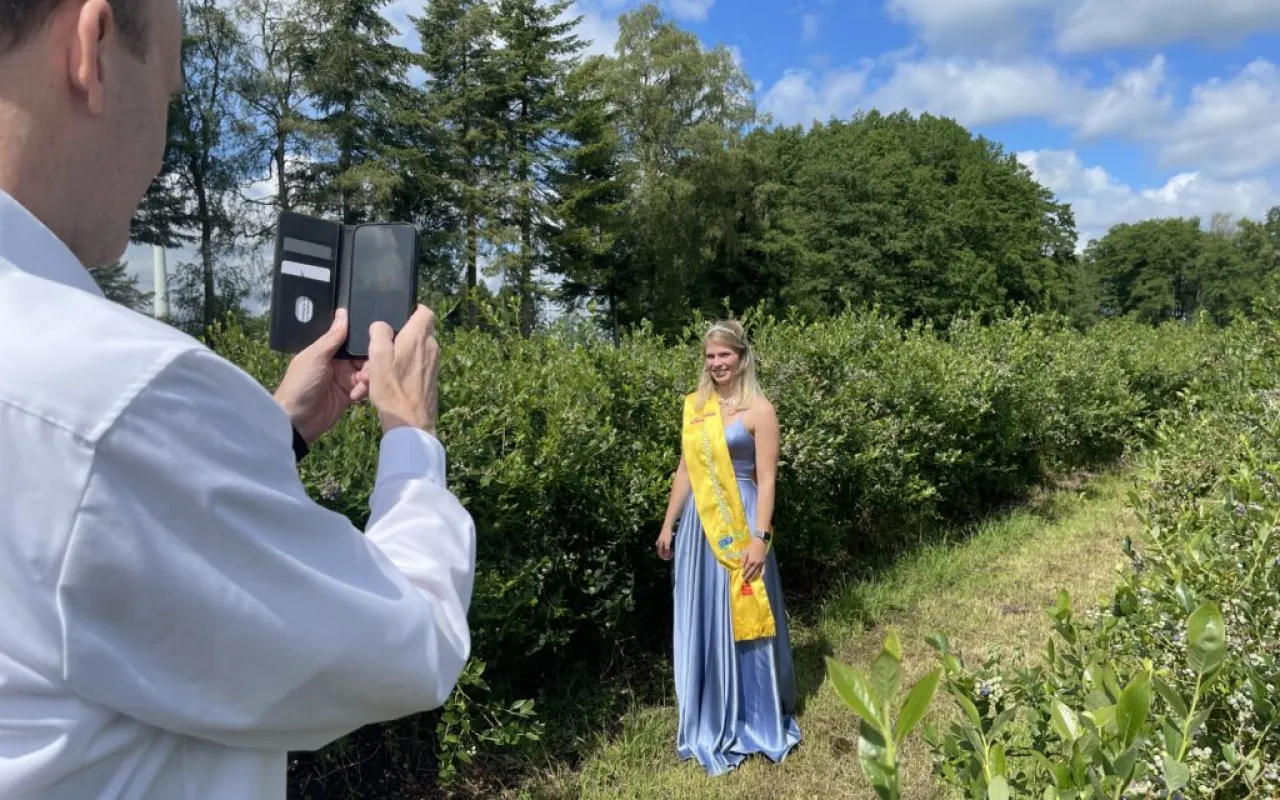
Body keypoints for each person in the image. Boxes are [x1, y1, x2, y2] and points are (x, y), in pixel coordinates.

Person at [0, 0, 476, 796]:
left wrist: (269, 435)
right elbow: (409, 642)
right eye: (171, 92)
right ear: (94, 47)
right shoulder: (117, 396)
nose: (160, 148)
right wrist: (410, 438)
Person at [655, 320, 802, 776]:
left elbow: (768, 478)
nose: (717, 364)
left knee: (746, 615)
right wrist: (668, 524)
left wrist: (761, 538)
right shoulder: (696, 409)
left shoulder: (760, 409)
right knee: (707, 615)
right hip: (703, 527)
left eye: (725, 355)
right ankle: (710, 712)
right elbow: (685, 470)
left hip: (744, 525)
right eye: (710, 356)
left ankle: (755, 716)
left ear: (741, 357)